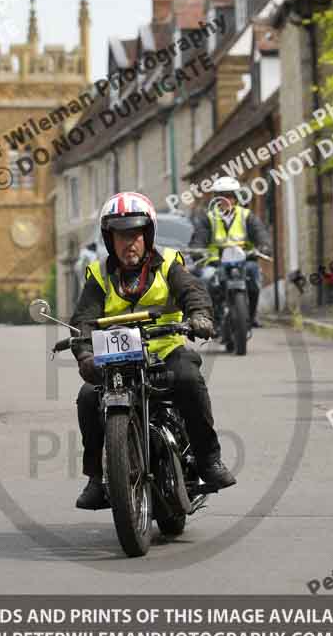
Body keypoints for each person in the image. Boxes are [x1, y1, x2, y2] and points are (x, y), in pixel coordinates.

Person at [70, 191, 237, 510]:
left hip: (165, 348)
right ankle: (95, 479)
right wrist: (85, 354)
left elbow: (193, 292)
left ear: (147, 235)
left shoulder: (170, 263)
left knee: (188, 378)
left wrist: (199, 316)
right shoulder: (98, 274)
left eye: (135, 233)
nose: (128, 242)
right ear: (109, 239)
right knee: (89, 396)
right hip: (117, 357)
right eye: (120, 235)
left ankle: (208, 461)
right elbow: (84, 320)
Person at [190, 177, 272, 328]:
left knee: (254, 274)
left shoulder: (246, 215)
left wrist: (264, 246)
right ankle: (211, 320)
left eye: (230, 196)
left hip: (244, 260)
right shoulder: (208, 218)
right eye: (223, 196)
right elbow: (199, 238)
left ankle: (252, 316)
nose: (227, 200)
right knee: (207, 278)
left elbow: (260, 233)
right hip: (216, 262)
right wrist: (197, 250)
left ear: (235, 198)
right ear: (216, 199)